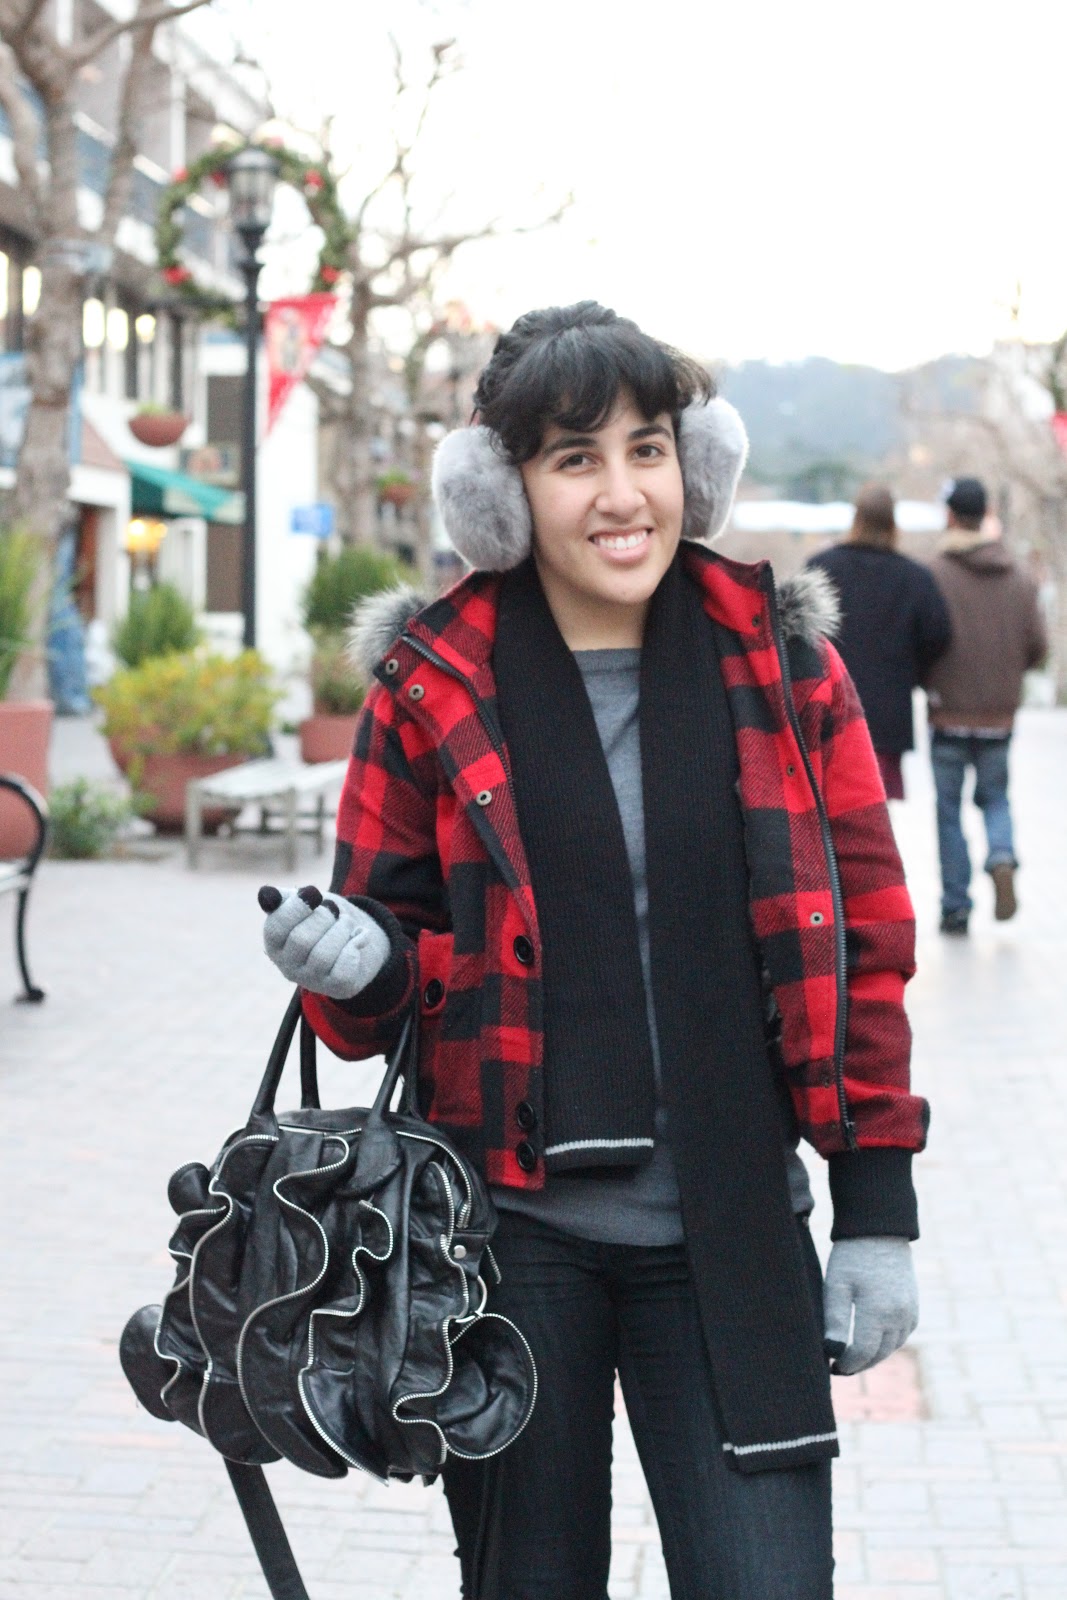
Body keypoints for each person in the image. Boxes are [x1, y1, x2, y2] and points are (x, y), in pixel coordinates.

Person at [259, 303, 928, 1599]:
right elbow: (386, 987)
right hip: (508, 1237)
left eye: (646, 449)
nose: (622, 494)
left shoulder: (781, 667)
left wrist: (876, 1217)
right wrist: (358, 966)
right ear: (500, 491)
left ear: (698, 465)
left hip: (730, 1225)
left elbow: (863, 949)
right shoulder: (430, 679)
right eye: (574, 458)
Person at [925, 477, 1047, 935]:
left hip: (947, 711)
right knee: (996, 796)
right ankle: (1001, 854)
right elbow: (1038, 646)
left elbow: (924, 639)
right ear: (987, 514)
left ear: (952, 516)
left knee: (948, 810)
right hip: (999, 714)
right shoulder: (1018, 576)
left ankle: (956, 904)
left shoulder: (935, 573)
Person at [807, 483, 951, 799]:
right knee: (876, 814)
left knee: (827, 805)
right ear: (893, 523)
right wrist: (913, 673)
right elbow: (939, 633)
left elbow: (798, 631)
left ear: (855, 518)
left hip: (830, 706)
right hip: (890, 710)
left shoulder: (823, 568)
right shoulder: (915, 576)